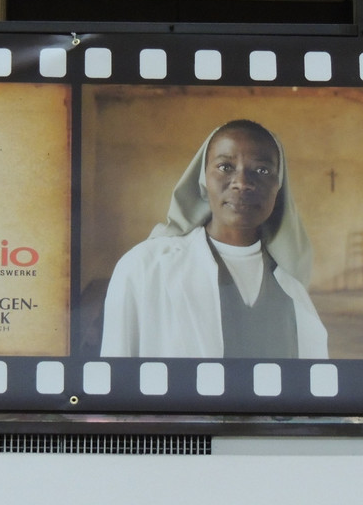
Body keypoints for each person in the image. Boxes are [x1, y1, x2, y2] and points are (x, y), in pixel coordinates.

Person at [100, 120, 328, 359]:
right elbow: (116, 371)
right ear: (203, 179)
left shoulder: (290, 284)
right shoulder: (144, 266)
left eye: (262, 170)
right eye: (225, 167)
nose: (242, 183)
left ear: (278, 185)